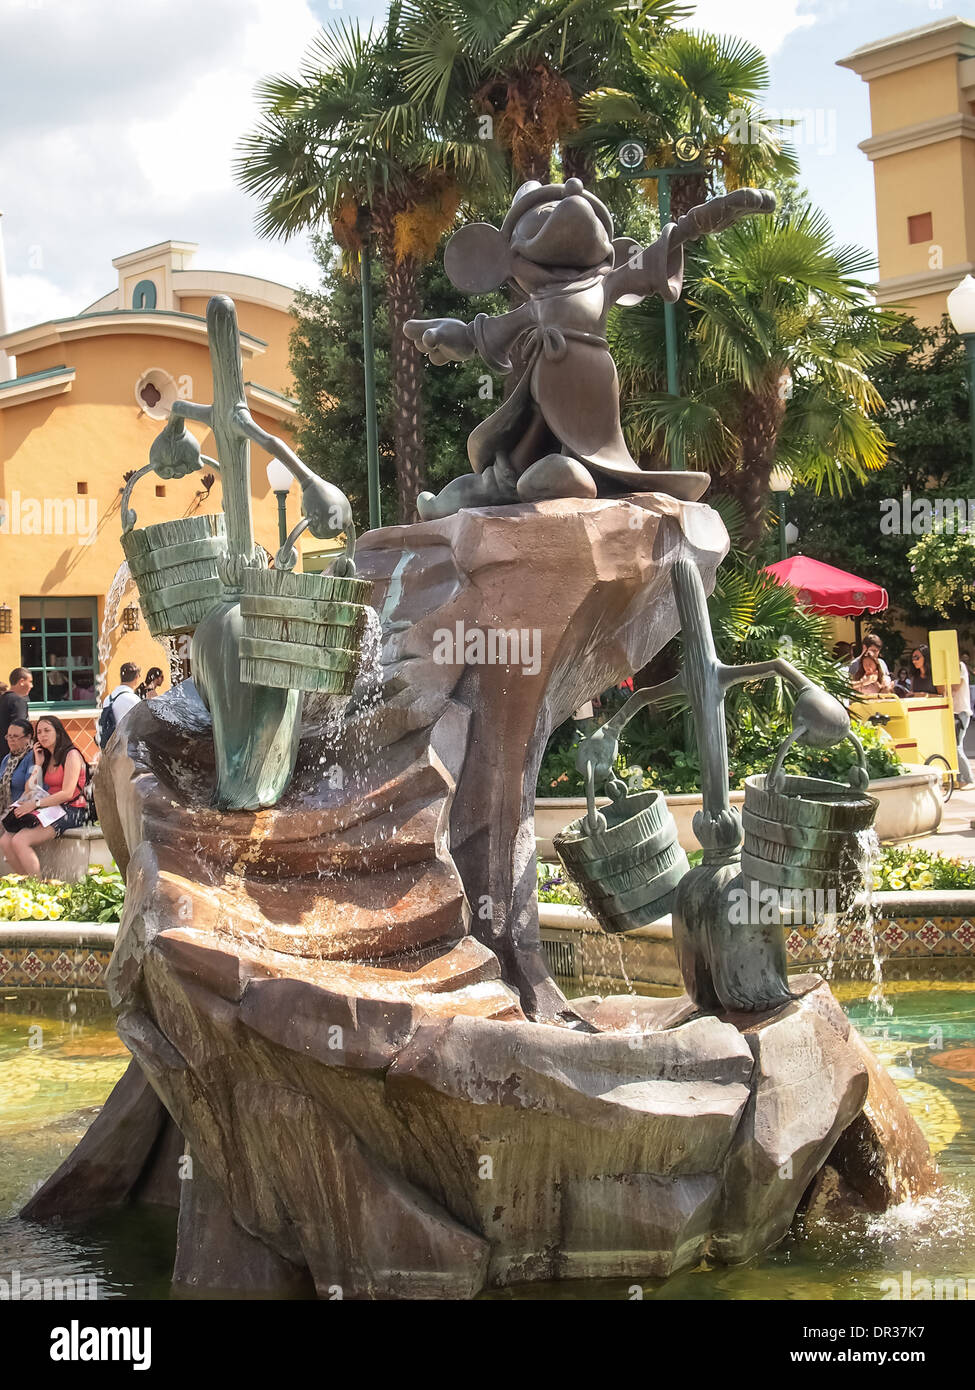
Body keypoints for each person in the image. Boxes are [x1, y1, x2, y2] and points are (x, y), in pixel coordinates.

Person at [0, 715, 88, 875]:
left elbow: (67, 793)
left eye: (47, 730)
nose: (42, 735)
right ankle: (24, 885)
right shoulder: (45, 757)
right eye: (39, 732)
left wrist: (35, 805)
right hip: (49, 808)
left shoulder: (72, 755)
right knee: (5, 841)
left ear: (58, 732)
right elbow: (29, 789)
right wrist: (38, 764)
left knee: (20, 840)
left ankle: (38, 887)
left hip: (72, 810)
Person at [97, 662, 142, 747]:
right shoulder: (134, 700)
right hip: (126, 750)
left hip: (110, 748)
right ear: (136, 677)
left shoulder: (108, 699)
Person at [0, 719, 35, 815]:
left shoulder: (33, 757)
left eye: (15, 736)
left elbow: (31, 791)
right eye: (9, 736)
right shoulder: (8, 758)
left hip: (21, 810)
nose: (11, 740)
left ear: (28, 737)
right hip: (5, 809)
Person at [952, 655, 973, 788]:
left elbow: (955, 686)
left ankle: (968, 779)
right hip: (953, 711)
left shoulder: (959, 666)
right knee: (954, 746)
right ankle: (960, 779)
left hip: (961, 712)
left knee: (957, 746)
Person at [0, 668, 32, 739]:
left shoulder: (2, 698)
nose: (31, 686)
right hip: (11, 748)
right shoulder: (18, 701)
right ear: (22, 682)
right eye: (30, 682)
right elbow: (19, 730)